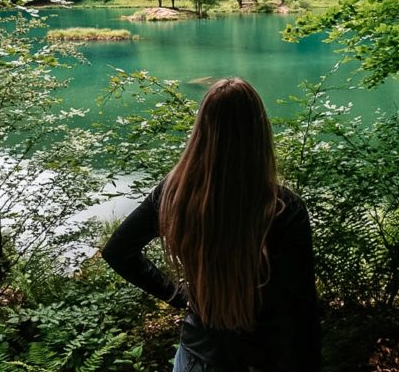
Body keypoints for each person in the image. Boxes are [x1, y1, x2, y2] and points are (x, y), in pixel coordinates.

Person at [102, 77, 321, 372]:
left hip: (196, 357)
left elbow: (118, 251)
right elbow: (300, 312)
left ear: (201, 131)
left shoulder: (176, 193)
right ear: (259, 132)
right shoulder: (283, 208)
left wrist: (181, 297)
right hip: (262, 360)